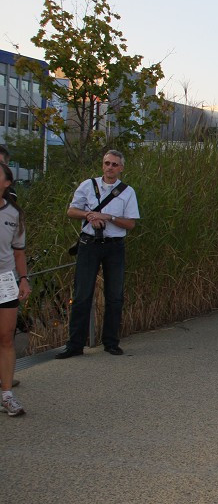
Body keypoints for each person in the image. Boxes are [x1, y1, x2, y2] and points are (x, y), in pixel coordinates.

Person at [56, 150, 140, 359]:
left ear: (121, 168)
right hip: (89, 244)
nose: (110, 167)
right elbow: (71, 211)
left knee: (114, 296)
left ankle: (111, 342)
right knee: (82, 295)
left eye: (114, 164)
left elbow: (130, 223)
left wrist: (108, 217)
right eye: (107, 163)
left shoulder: (128, 192)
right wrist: (89, 214)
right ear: (102, 165)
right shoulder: (87, 185)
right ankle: (75, 345)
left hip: (114, 246)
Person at [0, 162, 30, 415]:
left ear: (7, 183)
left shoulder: (14, 213)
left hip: (5, 280)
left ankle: (7, 394)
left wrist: (23, 279)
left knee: (6, 336)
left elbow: (19, 251)